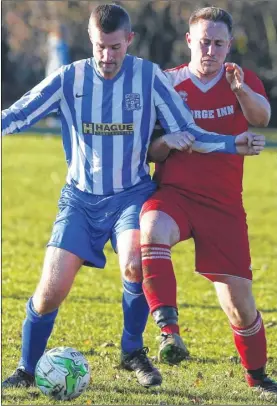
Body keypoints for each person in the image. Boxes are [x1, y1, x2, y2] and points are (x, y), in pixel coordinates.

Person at [2, 3, 264, 391]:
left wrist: (231, 143)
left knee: (135, 264)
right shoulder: (69, 78)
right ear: (91, 41)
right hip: (80, 200)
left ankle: (132, 350)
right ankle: (25, 368)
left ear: (130, 40)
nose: (107, 57)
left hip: (130, 196)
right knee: (49, 291)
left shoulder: (149, 77)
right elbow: (18, 114)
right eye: (99, 47)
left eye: (115, 47)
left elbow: (187, 130)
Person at [140, 6, 276, 396]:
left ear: (229, 45)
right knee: (151, 228)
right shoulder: (166, 83)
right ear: (189, 41)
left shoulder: (240, 79)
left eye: (219, 43)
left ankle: (257, 375)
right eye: (204, 42)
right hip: (175, 196)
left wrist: (241, 91)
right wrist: (166, 142)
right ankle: (168, 332)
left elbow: (262, 117)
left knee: (240, 306)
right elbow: (148, 151)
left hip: (223, 206)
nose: (211, 51)